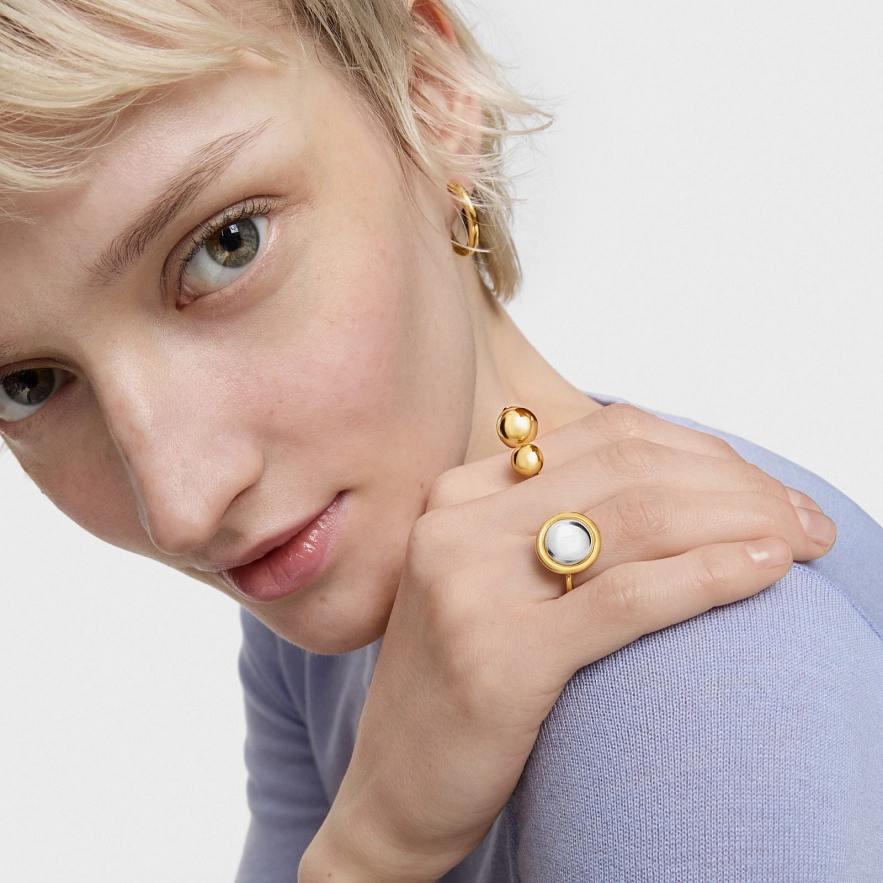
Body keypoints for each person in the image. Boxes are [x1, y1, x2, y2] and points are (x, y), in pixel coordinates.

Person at [0, 1, 880, 880]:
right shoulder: (322, 606)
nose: (180, 508)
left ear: (426, 93)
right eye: (27, 383)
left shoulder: (699, 686)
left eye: (225, 245)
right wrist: (372, 846)